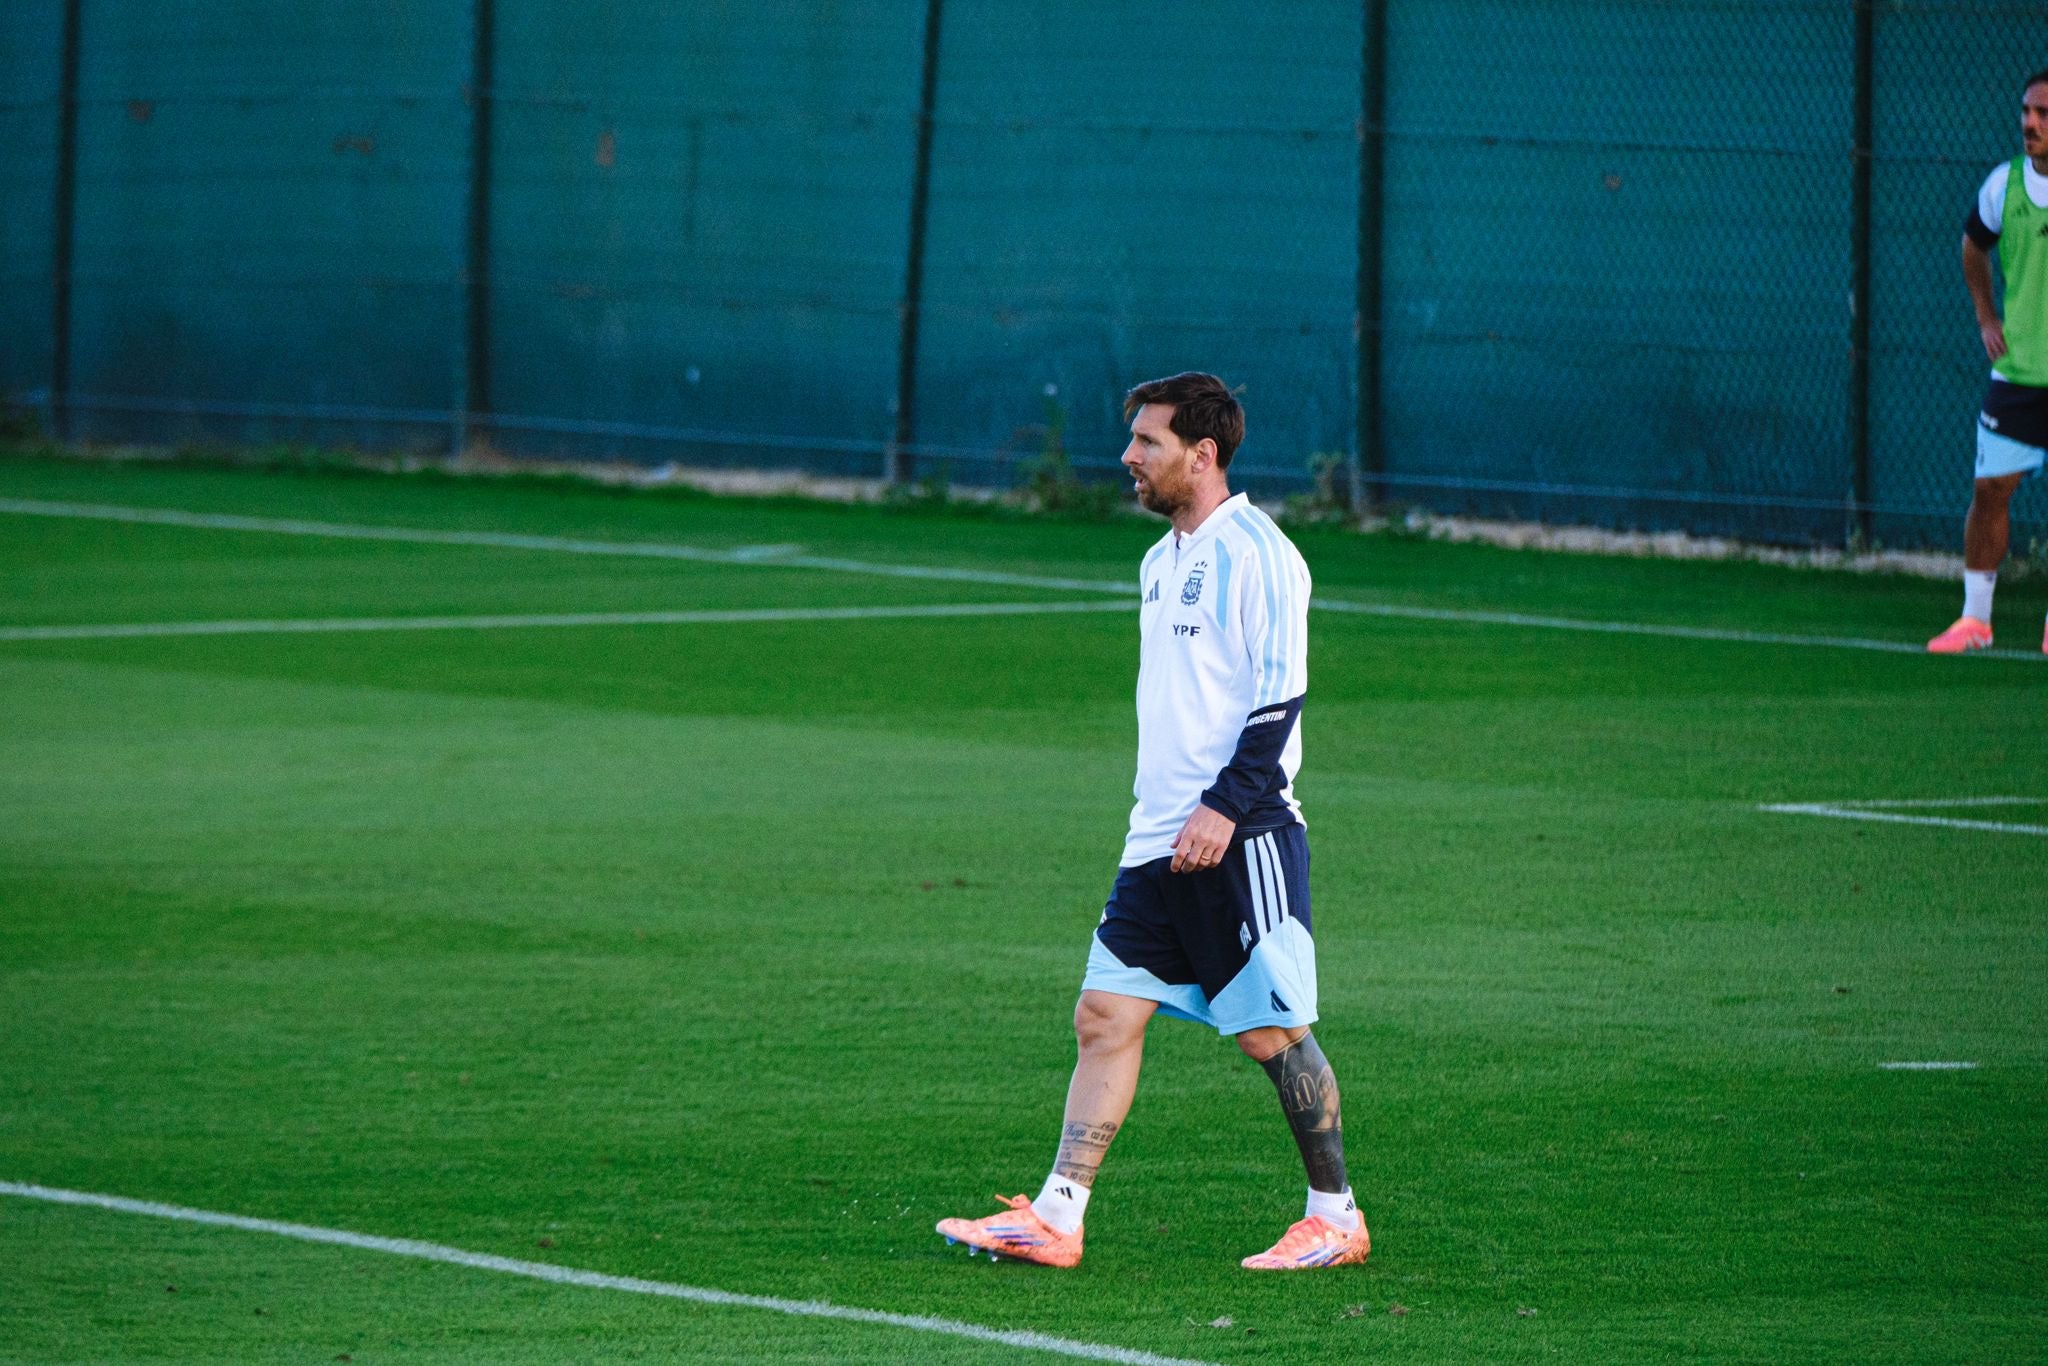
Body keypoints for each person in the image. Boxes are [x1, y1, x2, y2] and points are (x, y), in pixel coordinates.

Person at [936, 372, 1368, 1272]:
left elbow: (1278, 695)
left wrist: (1223, 805)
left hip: (1240, 834)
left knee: (1269, 1033)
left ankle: (1335, 1216)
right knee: (1104, 1014)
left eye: (1148, 443)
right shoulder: (1159, 558)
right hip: (1156, 837)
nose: (1128, 457)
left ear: (1202, 454)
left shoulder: (1260, 553)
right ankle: (1058, 1216)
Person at [1928, 69, 2048, 655]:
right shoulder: (2005, 185)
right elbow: (1973, 246)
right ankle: (1975, 620)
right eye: (2027, 111)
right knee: (1989, 491)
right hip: (2018, 376)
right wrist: (1985, 316)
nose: (2031, 123)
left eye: (2044, 114)